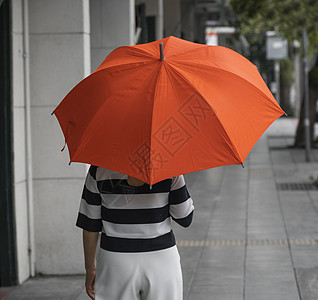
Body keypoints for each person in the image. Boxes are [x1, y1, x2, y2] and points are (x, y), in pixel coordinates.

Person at [76, 165, 194, 300]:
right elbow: (185, 218)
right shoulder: (169, 169)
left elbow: (90, 226)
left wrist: (90, 268)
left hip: (115, 261)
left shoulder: (98, 169)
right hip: (162, 260)